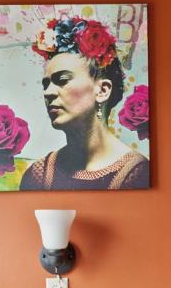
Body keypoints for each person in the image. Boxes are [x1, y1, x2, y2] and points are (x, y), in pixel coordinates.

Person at [20, 15, 149, 191]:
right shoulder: (38, 175)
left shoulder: (137, 173)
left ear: (102, 90)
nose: (48, 92)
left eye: (63, 80)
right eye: (46, 84)